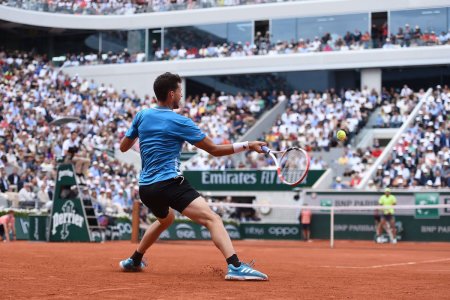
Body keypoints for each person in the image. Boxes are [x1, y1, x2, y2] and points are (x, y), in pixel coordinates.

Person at [118, 72, 268, 280]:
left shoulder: (142, 115)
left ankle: (134, 260)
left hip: (146, 188)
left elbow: (124, 147)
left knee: (166, 219)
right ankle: (235, 266)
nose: (181, 95)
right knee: (212, 219)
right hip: (168, 183)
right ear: (171, 94)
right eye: (179, 91)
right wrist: (248, 145)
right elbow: (214, 150)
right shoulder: (180, 121)